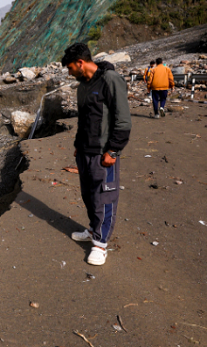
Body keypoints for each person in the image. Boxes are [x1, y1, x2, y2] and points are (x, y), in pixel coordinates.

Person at [61, 43, 131, 266]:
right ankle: (93, 229)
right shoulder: (82, 86)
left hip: (103, 153)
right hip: (85, 151)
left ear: (81, 63)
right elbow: (84, 119)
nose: (69, 73)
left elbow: (123, 120)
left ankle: (100, 244)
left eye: (70, 68)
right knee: (89, 195)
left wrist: (114, 150)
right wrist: (78, 145)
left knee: (105, 197)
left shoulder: (110, 80)